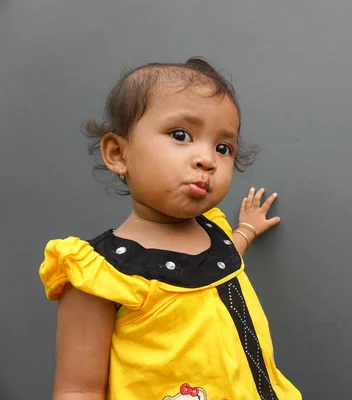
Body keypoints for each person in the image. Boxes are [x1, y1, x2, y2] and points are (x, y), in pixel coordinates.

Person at [39, 57, 301, 400]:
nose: (207, 159)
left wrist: (246, 230)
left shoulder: (214, 232)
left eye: (223, 148)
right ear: (118, 153)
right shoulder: (101, 274)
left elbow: (214, 269)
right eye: (181, 135)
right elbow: (78, 389)